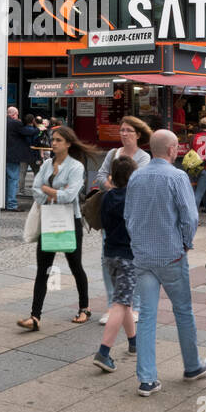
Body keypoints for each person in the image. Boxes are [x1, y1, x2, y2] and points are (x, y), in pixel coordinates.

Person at [124, 129, 206, 396]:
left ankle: (147, 378)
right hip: (171, 254)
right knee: (183, 310)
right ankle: (192, 364)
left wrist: (138, 242)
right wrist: (186, 242)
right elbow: (190, 216)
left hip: (143, 256)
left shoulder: (136, 176)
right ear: (172, 149)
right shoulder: (177, 177)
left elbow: (128, 216)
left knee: (148, 315)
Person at [17, 125, 94, 330]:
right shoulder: (47, 164)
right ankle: (35, 317)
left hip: (70, 220)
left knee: (75, 265)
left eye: (59, 140)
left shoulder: (76, 167)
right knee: (43, 268)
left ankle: (84, 308)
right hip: (49, 219)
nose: (54, 143)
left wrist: (47, 190)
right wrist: (53, 192)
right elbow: (36, 191)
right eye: (53, 140)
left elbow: (70, 196)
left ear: (68, 143)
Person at [92, 116, 152, 324]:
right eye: (122, 130)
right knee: (106, 258)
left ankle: (132, 305)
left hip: (134, 216)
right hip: (111, 215)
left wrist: (114, 184)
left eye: (128, 130)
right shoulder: (112, 154)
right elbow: (100, 178)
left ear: (138, 134)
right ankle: (113, 304)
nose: (124, 134)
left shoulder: (144, 158)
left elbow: (139, 183)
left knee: (133, 259)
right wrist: (116, 187)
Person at [92, 155, 138, 371]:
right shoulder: (133, 199)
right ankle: (104, 352)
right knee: (120, 303)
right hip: (127, 257)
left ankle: (133, 342)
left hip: (109, 254)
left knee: (124, 299)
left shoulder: (107, 197)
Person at [5, 105, 37, 212]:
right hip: (13, 156)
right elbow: (28, 132)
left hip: (3, 155)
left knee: (6, 180)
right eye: (17, 114)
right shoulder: (16, 123)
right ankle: (12, 204)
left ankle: (5, 202)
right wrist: (38, 127)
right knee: (13, 179)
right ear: (14, 114)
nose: (18, 116)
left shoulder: (3, 121)